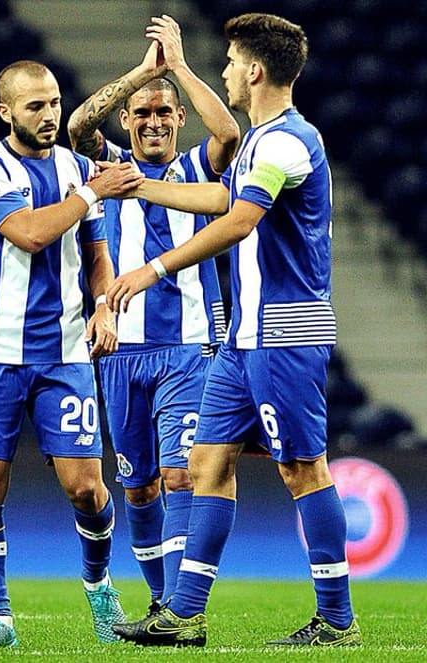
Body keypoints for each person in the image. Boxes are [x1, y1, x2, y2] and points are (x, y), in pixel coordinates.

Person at [107, 13, 362, 648]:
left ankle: (337, 619)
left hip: (285, 332)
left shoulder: (285, 142)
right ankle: (185, 614)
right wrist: (144, 187)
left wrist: (154, 267)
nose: (223, 71)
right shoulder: (257, 141)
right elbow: (221, 199)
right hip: (242, 339)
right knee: (205, 462)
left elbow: (243, 219)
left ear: (254, 70)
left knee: (302, 468)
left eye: (227, 62)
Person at [0, 60, 144, 649]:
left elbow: (95, 253)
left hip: (64, 349)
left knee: (86, 486)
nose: (49, 115)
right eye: (34, 106)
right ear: (6, 112)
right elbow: (30, 232)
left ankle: (98, 585)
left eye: (55, 102)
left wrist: (105, 305)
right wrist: (91, 191)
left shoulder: (75, 165)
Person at [67, 15, 239, 613]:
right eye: (143, 112)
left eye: (164, 112)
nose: (155, 121)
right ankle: (161, 600)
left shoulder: (196, 168)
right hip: (118, 351)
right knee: (137, 487)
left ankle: (182, 608)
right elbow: (77, 123)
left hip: (189, 349)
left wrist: (180, 70)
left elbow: (231, 135)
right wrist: (144, 71)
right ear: (128, 121)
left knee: (182, 476)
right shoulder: (109, 164)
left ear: (179, 118)